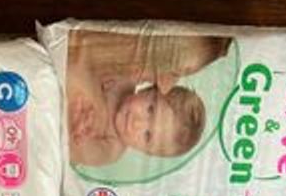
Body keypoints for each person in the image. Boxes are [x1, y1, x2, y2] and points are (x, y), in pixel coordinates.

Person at [66, 28, 231, 167]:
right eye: (150, 110)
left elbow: (79, 153)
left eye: (147, 135)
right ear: (148, 90)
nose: (137, 123)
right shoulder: (125, 80)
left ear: (145, 152)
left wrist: (82, 137)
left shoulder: (113, 147)